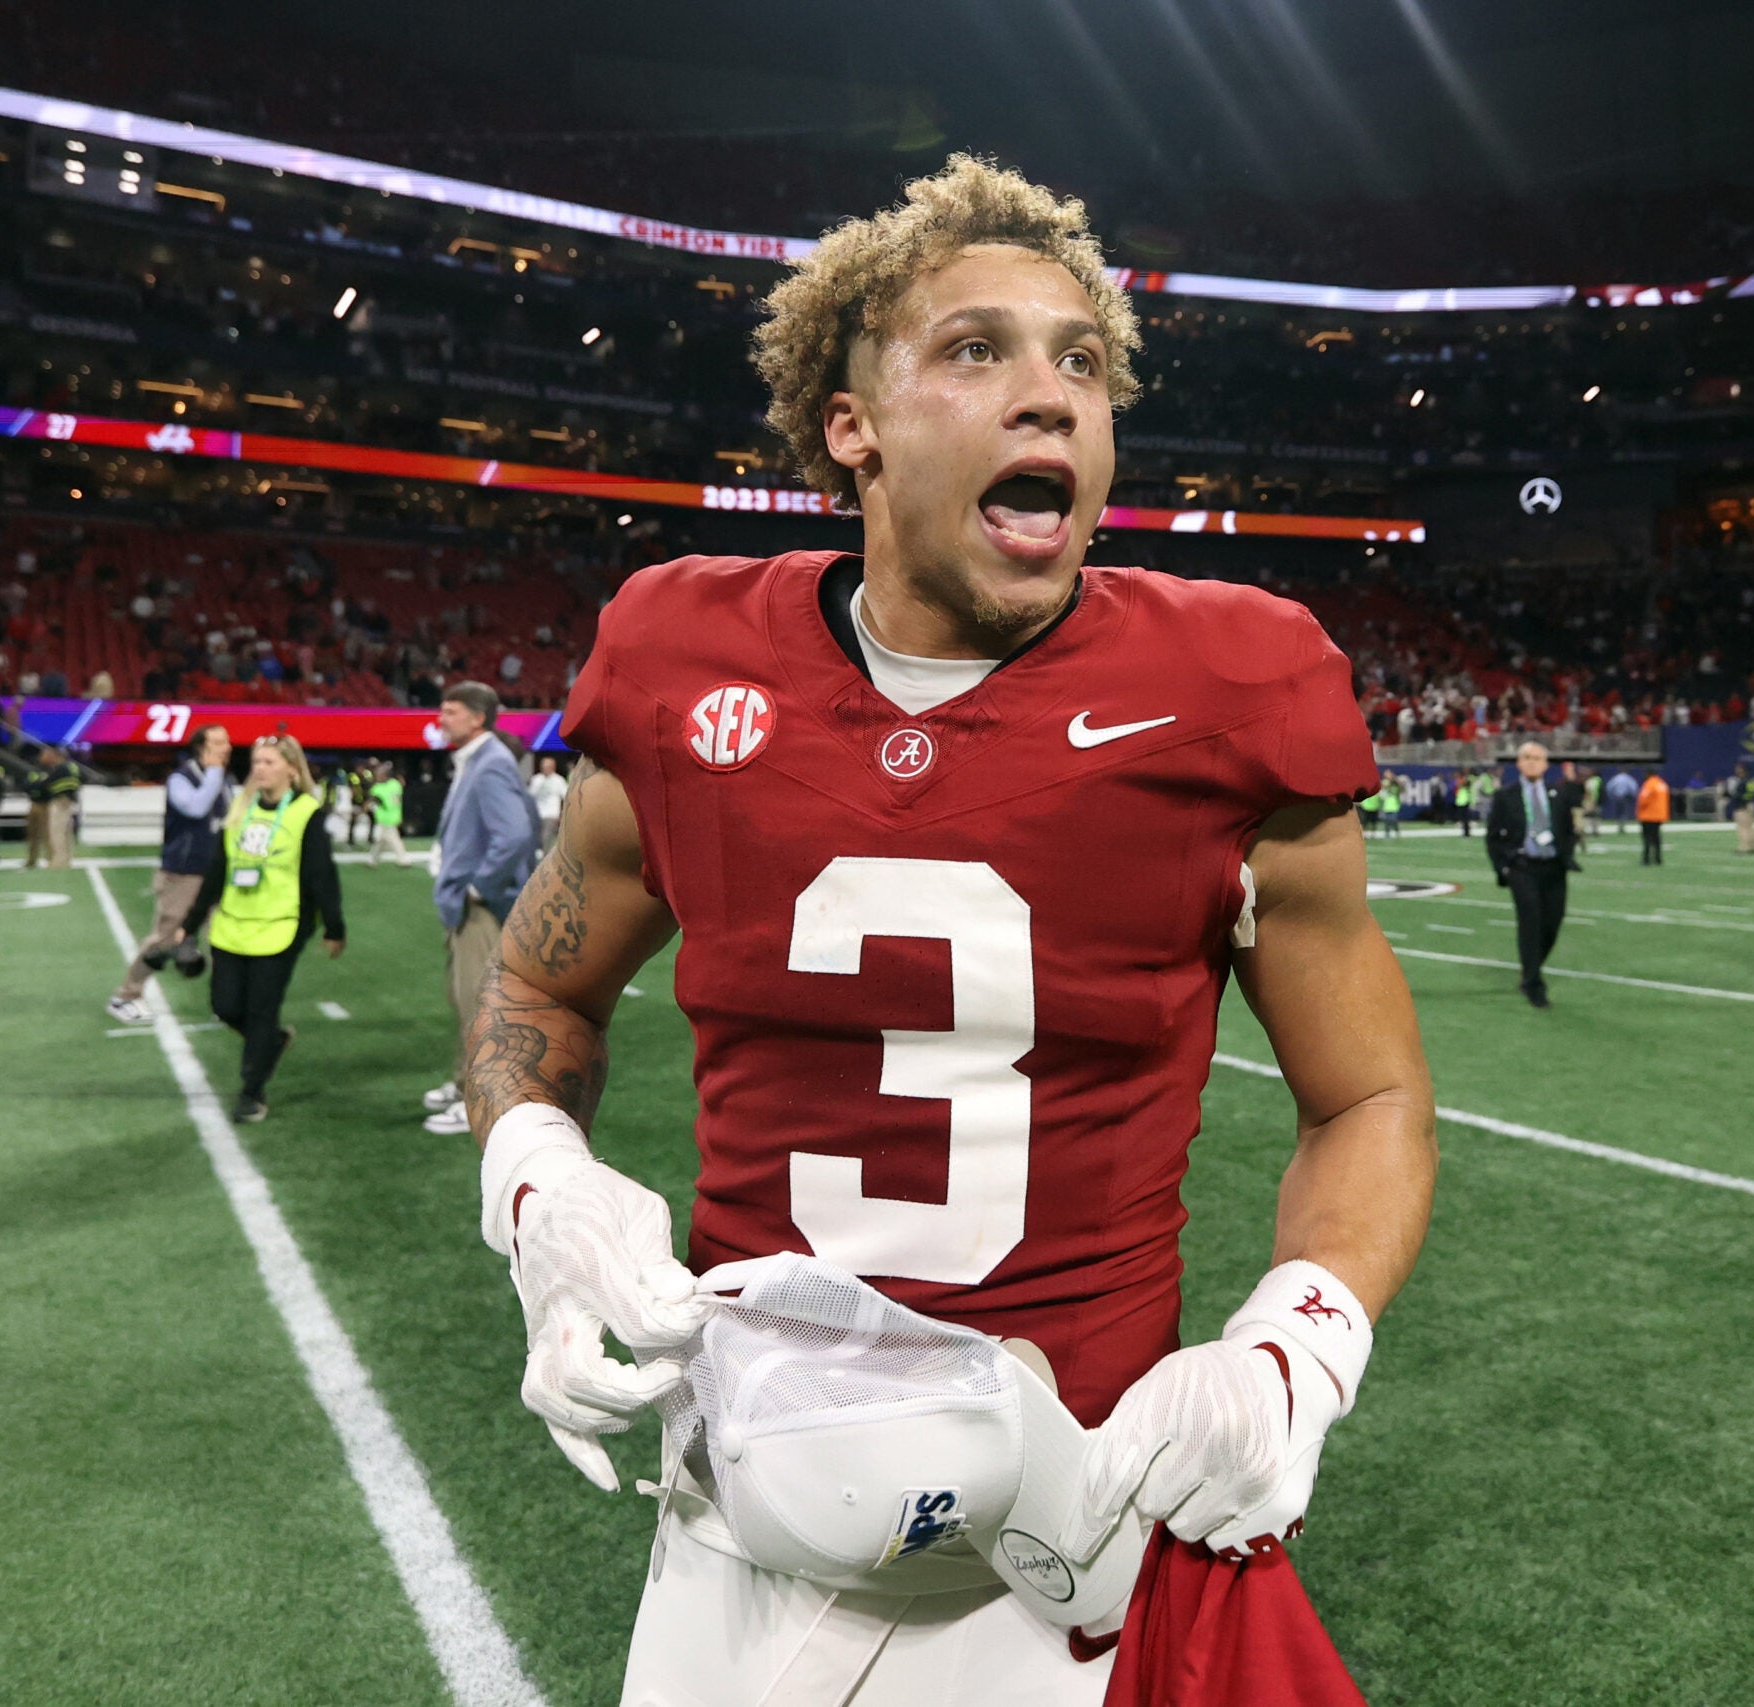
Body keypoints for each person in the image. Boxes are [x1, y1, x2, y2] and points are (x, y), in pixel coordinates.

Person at [462, 157, 1434, 1706]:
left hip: (1075, 1538)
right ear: (850, 427)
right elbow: (538, 981)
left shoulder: (1233, 686)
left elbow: (1369, 1094)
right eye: (976, 348)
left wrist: (1299, 1342)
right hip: (740, 1526)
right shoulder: (680, 656)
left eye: (1082, 360)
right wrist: (540, 1187)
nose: (1048, 393)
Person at [174, 735, 345, 1123]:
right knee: (225, 1005)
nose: (259, 768)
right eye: (256, 761)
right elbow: (218, 870)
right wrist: (190, 923)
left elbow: (321, 874)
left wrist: (333, 926)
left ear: (290, 767)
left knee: (261, 1010)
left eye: (268, 761)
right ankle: (272, 1041)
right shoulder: (240, 809)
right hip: (232, 925)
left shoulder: (306, 812)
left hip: (281, 927)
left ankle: (251, 1092)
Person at [420, 681, 539, 1136]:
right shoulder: (481, 761)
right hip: (469, 906)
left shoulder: (489, 765)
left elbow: (514, 834)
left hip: (482, 910)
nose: (441, 719)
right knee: (464, 999)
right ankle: (461, 1082)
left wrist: (477, 887)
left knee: (479, 1006)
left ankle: (478, 1103)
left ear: (477, 717)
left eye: (450, 712)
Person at [109, 724, 233, 1025]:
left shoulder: (226, 779)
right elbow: (195, 807)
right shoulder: (181, 778)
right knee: (166, 937)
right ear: (201, 747)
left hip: (216, 872)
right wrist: (215, 773)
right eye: (218, 742)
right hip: (184, 872)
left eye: (227, 741)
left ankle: (227, 1001)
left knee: (225, 938)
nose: (226, 746)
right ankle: (125, 995)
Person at [1485, 741, 1580, 1008]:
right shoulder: (1506, 796)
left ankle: (1531, 967)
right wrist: (1504, 867)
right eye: (1526, 757)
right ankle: (1533, 982)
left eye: (1537, 757)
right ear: (1518, 762)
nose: (1531, 762)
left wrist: (1567, 854)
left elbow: (1568, 829)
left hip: (1553, 868)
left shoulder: (1557, 794)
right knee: (1530, 922)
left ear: (1546, 764)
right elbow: (1493, 837)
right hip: (1523, 868)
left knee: (1552, 923)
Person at [37, 744, 84, 869]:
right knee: (66, 833)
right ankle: (67, 859)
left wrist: (44, 784)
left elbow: (45, 785)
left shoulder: (60, 769)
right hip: (69, 801)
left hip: (60, 802)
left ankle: (58, 861)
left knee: (57, 833)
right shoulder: (72, 767)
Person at [368, 762, 407, 865]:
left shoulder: (394, 785)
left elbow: (397, 800)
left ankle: (403, 860)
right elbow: (374, 801)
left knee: (393, 840)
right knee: (380, 840)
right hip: (382, 818)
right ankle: (373, 860)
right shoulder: (377, 788)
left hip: (392, 817)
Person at [529, 754, 570, 851]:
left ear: (553, 767)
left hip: (551, 815)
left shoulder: (558, 781)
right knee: (536, 840)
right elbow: (530, 797)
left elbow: (566, 798)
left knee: (545, 839)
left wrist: (562, 815)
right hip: (537, 815)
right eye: (543, 765)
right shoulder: (536, 779)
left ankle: (543, 861)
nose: (545, 768)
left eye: (547, 766)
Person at [1635, 769, 1670, 864]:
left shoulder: (1649, 784)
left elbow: (1643, 800)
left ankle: (1646, 858)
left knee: (1647, 838)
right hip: (1660, 815)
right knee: (1657, 837)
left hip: (1648, 815)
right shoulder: (1662, 784)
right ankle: (1658, 858)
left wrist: (1639, 810)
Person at [1727, 763, 1754, 855]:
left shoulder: (1742, 782)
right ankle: (1753, 846)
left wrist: (1741, 802)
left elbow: (1739, 795)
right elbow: (1752, 793)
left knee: (1742, 827)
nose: (1736, 771)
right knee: (1750, 827)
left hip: (1742, 806)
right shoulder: (1750, 781)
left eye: (1738, 769)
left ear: (1742, 770)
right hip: (1751, 804)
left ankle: (1744, 847)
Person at [1604, 766, 1636, 836]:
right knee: (1624, 812)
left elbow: (1609, 787)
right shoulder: (1628, 778)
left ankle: (1619, 825)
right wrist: (1633, 795)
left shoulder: (1616, 778)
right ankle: (1623, 826)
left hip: (1617, 797)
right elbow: (1633, 787)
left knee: (1619, 812)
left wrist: (1611, 795)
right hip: (1625, 797)